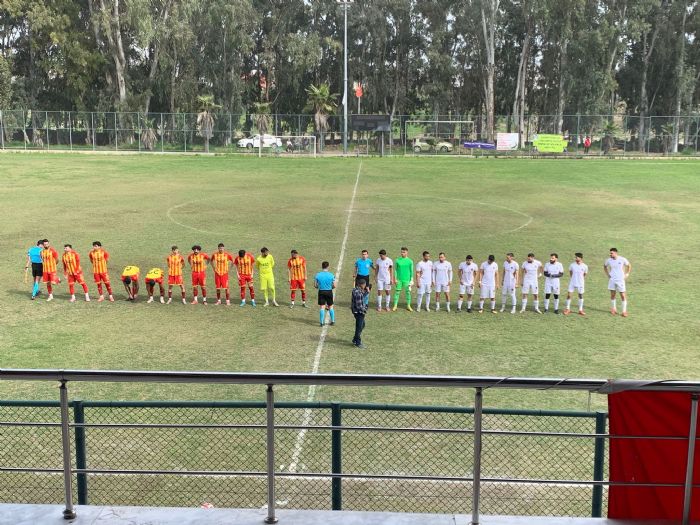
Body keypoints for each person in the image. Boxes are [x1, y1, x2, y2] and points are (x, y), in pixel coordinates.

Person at [604, 248, 631, 317]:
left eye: (611, 253)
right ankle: (614, 309)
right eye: (610, 253)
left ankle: (624, 312)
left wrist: (627, 274)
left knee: (623, 295)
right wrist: (608, 274)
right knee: (613, 295)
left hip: (620, 280)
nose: (610, 254)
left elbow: (629, 265)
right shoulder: (608, 260)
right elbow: (605, 266)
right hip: (612, 280)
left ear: (616, 253)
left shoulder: (622, 259)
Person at [315, 261, 336, 326]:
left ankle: (321, 322)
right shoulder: (331, 275)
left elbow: (315, 285)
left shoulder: (318, 275)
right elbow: (334, 285)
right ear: (328, 266)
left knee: (322, 307)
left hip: (321, 291)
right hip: (329, 291)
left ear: (322, 266)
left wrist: (319, 286)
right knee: (331, 306)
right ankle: (333, 321)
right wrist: (330, 287)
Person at [392, 247, 414, 312]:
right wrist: (395, 279)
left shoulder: (410, 261)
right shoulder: (397, 260)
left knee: (408, 293)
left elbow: (411, 271)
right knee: (397, 292)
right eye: (401, 252)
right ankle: (395, 306)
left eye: (404, 252)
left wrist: (411, 280)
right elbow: (395, 270)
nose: (402, 253)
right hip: (399, 280)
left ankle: (408, 306)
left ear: (407, 252)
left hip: (407, 280)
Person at [350, 278, 368, 348]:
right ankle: (358, 342)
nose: (365, 286)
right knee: (359, 327)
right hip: (359, 312)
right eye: (365, 285)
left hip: (356, 311)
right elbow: (359, 306)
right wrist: (365, 310)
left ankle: (355, 339)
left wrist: (367, 292)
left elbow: (362, 296)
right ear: (362, 285)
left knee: (362, 325)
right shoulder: (358, 293)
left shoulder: (356, 290)